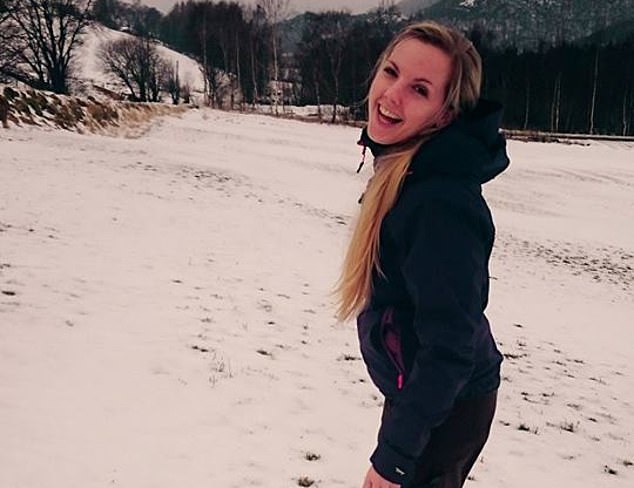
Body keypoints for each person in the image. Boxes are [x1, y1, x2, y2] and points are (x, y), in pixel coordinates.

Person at [336, 21, 510, 488]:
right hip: (421, 390)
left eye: (419, 89)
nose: (391, 96)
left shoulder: (440, 204)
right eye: (391, 72)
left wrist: (395, 456)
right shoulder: (409, 168)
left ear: (444, 115)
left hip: (447, 402)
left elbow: (450, 345)